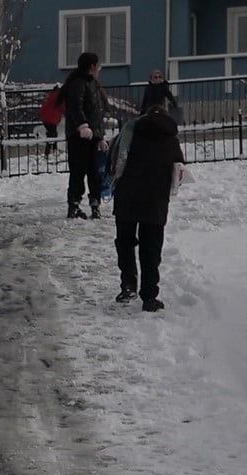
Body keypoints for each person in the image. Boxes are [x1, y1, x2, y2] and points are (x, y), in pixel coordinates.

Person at [109, 102, 185, 310]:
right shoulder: (171, 137)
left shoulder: (129, 131)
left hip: (127, 195)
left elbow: (113, 160)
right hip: (156, 199)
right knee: (151, 248)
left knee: (125, 242)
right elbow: (179, 167)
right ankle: (150, 297)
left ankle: (128, 285)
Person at [61, 52, 109, 220]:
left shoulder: (93, 84)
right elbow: (75, 106)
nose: (99, 69)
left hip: (93, 136)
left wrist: (100, 136)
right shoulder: (78, 83)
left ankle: (95, 203)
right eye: (97, 65)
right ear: (92, 66)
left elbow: (97, 112)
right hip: (79, 136)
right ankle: (74, 205)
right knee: (78, 171)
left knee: (95, 172)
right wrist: (82, 126)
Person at [38, 83, 63, 160]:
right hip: (52, 119)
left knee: (52, 134)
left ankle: (51, 152)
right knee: (52, 135)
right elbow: (63, 107)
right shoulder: (60, 97)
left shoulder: (51, 95)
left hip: (46, 118)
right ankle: (50, 152)